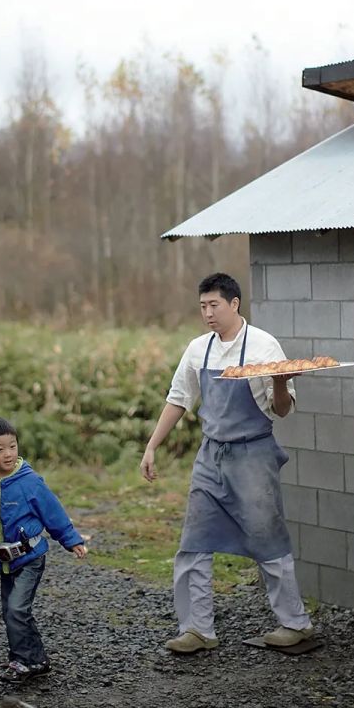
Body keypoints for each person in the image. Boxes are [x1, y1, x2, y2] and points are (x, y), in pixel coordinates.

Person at [140, 272, 317, 654]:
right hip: (211, 456)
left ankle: (295, 623)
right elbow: (178, 399)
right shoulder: (198, 349)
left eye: (214, 305)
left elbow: (282, 410)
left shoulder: (263, 346)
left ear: (234, 304)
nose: (207, 313)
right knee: (193, 543)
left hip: (253, 456)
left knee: (269, 541)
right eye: (202, 306)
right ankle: (197, 630)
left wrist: (283, 380)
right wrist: (152, 445)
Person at [0, 416, 87, 683]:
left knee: (17, 609)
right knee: (12, 611)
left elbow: (53, 513)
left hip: (31, 557)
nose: (8, 453)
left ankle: (23, 661)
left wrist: (71, 540)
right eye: (0, 449)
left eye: (12, 446)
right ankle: (35, 660)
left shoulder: (30, 482)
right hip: (4, 561)